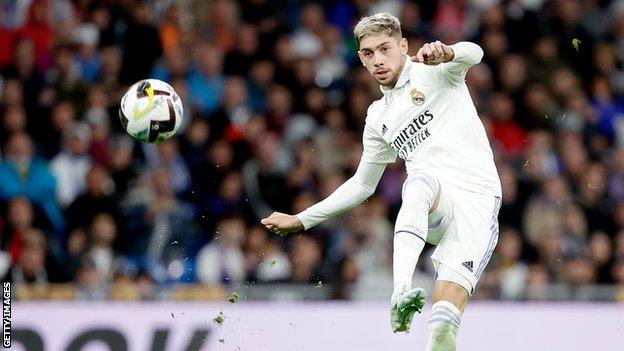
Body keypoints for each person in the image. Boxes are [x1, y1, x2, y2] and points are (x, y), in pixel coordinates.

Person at [261, 13, 501, 350]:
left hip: (477, 200)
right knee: (418, 183)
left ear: (403, 46)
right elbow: (362, 184)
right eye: (368, 53)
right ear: (360, 58)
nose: (378, 60)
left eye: (385, 48)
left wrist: (449, 52)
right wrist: (302, 220)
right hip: (434, 202)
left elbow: (475, 53)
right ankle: (401, 290)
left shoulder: (434, 69)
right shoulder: (378, 118)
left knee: (443, 328)